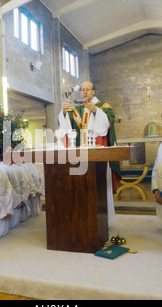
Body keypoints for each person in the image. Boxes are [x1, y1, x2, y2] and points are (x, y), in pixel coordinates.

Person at [59, 81, 121, 219]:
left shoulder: (104, 107)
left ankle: (103, 218)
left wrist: (95, 111)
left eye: (88, 89)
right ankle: (83, 217)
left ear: (93, 91)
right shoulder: (75, 110)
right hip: (80, 155)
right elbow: (65, 128)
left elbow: (105, 127)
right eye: (82, 90)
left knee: (99, 186)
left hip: (99, 154)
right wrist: (63, 112)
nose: (85, 92)